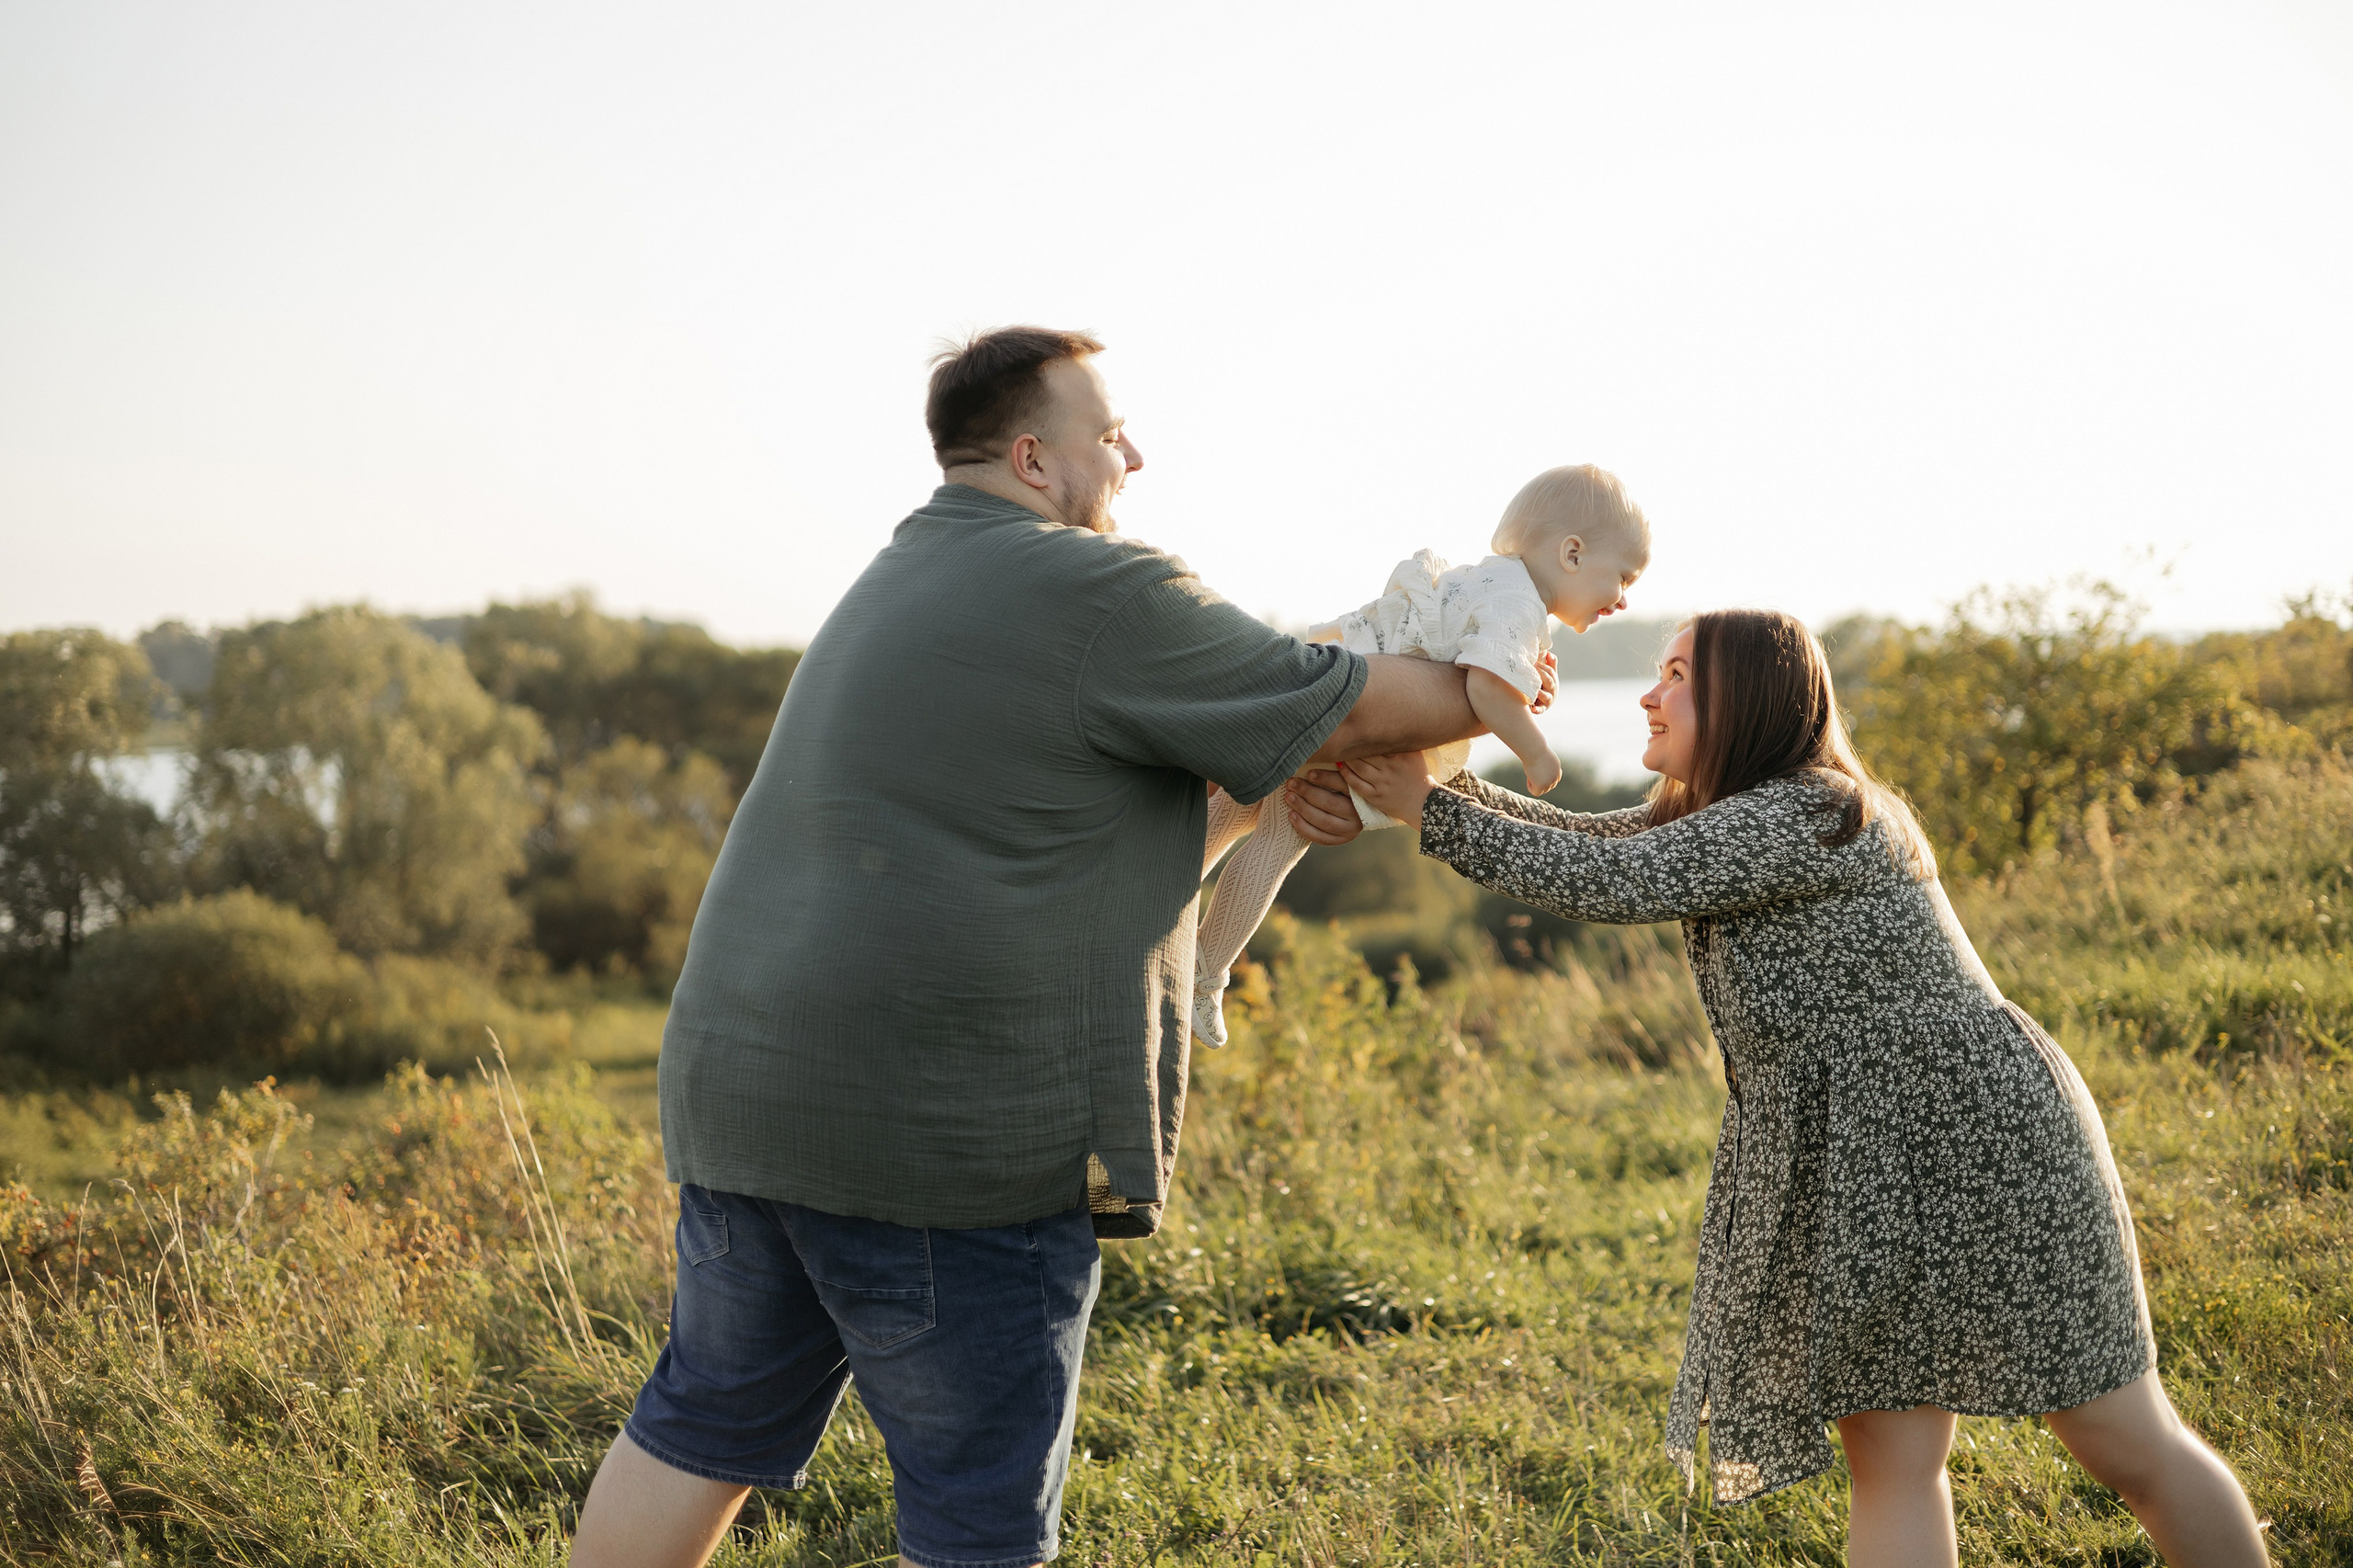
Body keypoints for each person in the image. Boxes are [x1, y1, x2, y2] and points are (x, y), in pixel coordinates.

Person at [567, 326, 1543, 1568]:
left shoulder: (904, 571)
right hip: (946, 1135)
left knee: (698, 1426)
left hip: (753, 1101)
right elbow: (1342, 695)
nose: (1133, 452)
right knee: (979, 1521)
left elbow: (1053, 839)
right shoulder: (1097, 588)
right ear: (1036, 457)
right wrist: (1502, 670)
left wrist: (1253, 796)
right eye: (1109, 431)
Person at [1344, 609, 2268, 1568]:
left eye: (1675, 675)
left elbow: (1607, 877)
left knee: (2119, 1435)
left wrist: (1431, 806)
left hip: (1981, 1135)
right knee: (1890, 1450)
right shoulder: (1741, 811)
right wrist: (1435, 787)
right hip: (1883, 1153)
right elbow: (1594, 836)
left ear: (1749, 698)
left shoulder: (1803, 811)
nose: (1648, 694)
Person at [1187, 464, 1651, 1047]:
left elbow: (1480, 667)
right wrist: (1536, 752)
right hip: (1350, 715)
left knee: (1238, 806)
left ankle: (1153, 903)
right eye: (1625, 578)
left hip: (1324, 678)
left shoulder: (1495, 582)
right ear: (1573, 554)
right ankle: (1203, 973)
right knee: (1279, 839)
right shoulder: (1519, 606)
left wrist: (1527, 684)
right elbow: (1483, 689)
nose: (1625, 599)